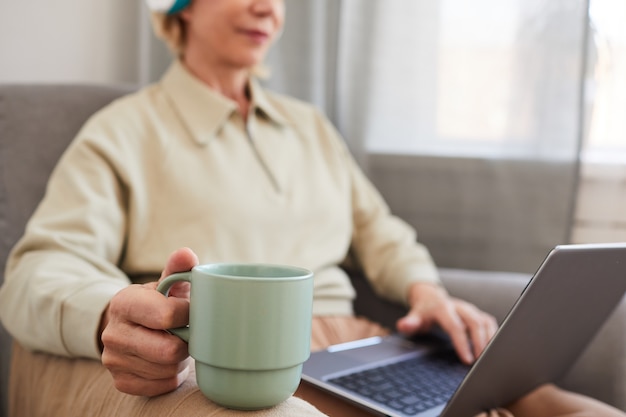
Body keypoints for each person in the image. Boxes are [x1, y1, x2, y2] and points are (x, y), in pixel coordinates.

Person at [0, 1, 623, 416]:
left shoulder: (311, 128)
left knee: (563, 407)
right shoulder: (124, 131)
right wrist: (110, 312)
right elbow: (38, 271)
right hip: (233, 363)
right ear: (179, 8)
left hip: (356, 349)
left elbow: (380, 231)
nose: (268, 7)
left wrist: (424, 289)